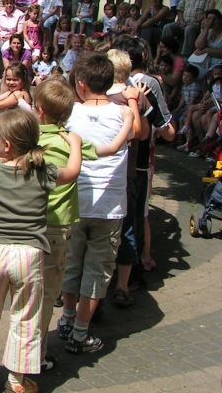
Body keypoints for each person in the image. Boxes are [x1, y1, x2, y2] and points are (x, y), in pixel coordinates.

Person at [0, 109, 81, 393]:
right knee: (25, 317)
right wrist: (74, 144)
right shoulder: (43, 171)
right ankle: (16, 381)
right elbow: (72, 173)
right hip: (29, 253)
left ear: (7, 145)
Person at [59, 53, 136, 355]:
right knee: (97, 270)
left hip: (75, 201)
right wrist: (130, 103)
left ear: (80, 84)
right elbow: (136, 134)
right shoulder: (121, 114)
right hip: (109, 206)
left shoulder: (71, 114)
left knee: (72, 262)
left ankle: (66, 319)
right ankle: (80, 332)